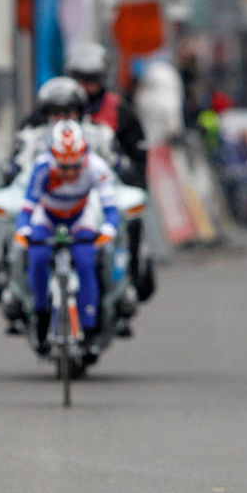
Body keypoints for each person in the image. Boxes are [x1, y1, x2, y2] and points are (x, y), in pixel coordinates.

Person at [14, 119, 119, 364]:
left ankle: (90, 329)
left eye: (75, 166)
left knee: (85, 262)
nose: (70, 173)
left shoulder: (96, 166)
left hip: (81, 216)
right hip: (48, 217)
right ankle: (40, 315)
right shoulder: (41, 168)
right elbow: (27, 208)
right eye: (64, 167)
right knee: (38, 259)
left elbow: (111, 209)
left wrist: (108, 230)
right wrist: (22, 231)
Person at [65, 42, 150, 308]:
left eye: (92, 80)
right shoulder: (55, 105)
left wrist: (133, 182)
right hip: (61, 191)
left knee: (131, 226)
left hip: (105, 190)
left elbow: (139, 155)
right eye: (81, 79)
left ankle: (129, 288)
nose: (86, 87)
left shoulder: (120, 112)